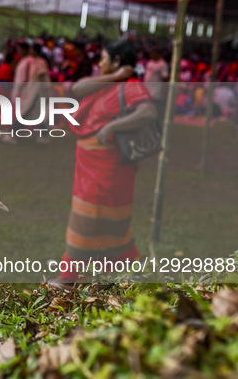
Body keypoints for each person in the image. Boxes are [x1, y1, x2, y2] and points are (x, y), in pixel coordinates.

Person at [45, 40, 157, 289]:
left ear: (117, 60)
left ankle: (68, 277)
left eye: (104, 58)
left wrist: (112, 126)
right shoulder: (106, 83)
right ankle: (127, 271)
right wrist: (116, 75)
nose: (99, 63)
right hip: (90, 164)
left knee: (87, 218)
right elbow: (77, 88)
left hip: (110, 166)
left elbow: (148, 112)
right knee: (108, 221)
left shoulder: (131, 87)